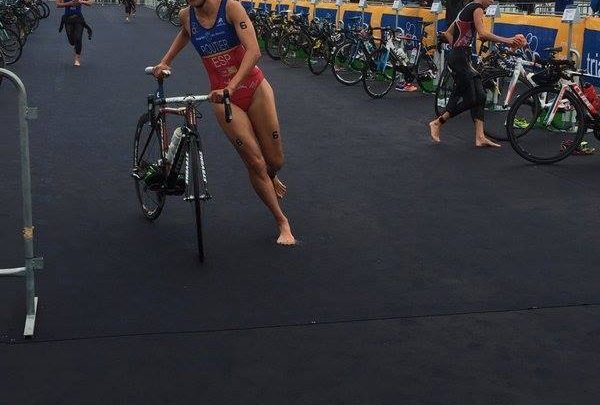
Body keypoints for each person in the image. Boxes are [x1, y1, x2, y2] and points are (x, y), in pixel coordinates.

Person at [152, 0, 296, 245]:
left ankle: (271, 175)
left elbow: (254, 51)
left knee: (275, 161)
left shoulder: (230, 7)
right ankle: (282, 222)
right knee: (254, 161)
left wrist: (232, 86)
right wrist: (165, 61)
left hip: (254, 87)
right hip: (221, 97)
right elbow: (185, 33)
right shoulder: (187, 15)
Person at [429, 0, 521, 147]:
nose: (491, 2)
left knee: (481, 96)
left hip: (461, 57)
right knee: (471, 99)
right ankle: (437, 122)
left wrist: (457, 48)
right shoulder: (477, 8)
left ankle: (480, 137)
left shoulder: (467, 7)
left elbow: (448, 34)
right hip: (460, 59)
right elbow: (483, 33)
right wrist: (508, 40)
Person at [57, 0, 93, 66]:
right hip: (68, 19)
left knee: (78, 38)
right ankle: (76, 46)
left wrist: (81, 2)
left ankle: (77, 58)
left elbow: (90, 3)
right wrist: (69, 3)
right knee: (72, 41)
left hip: (78, 19)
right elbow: (58, 4)